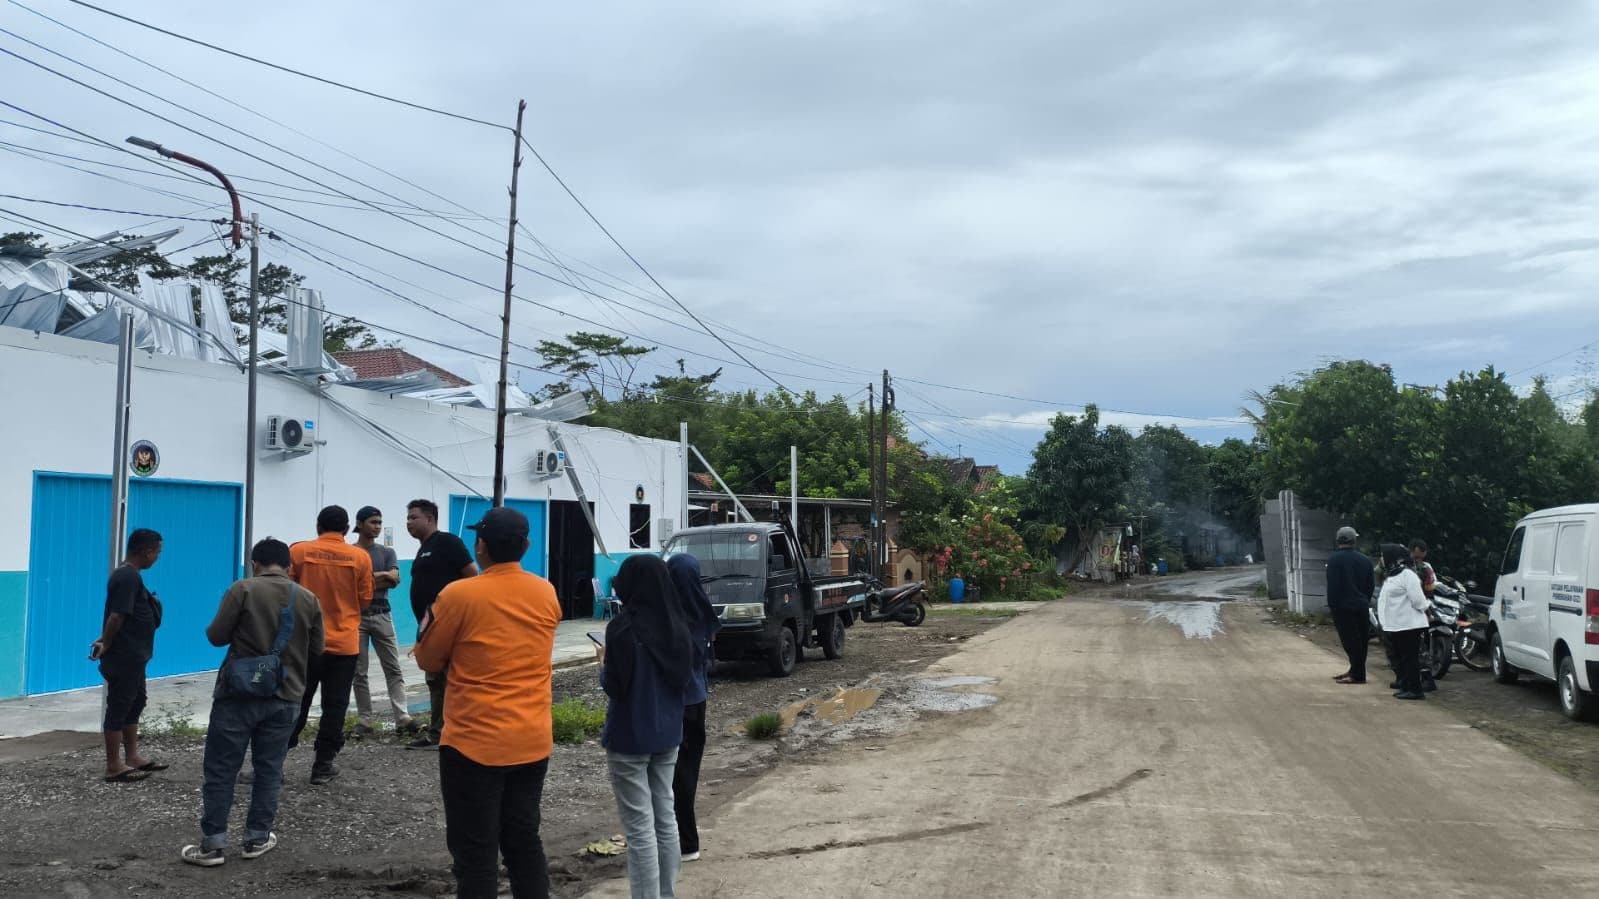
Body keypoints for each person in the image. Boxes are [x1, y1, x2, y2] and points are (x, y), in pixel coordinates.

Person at [414, 507, 561, 899]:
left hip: (472, 744)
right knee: (524, 841)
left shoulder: (459, 595)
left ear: (480, 547)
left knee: (476, 853)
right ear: (526, 546)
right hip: (531, 740)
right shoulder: (545, 591)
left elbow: (428, 659)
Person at [181, 538, 325, 867]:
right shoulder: (308, 598)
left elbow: (216, 636)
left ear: (254, 564)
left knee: (221, 770)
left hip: (237, 696)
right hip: (286, 696)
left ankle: (213, 844)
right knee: (269, 769)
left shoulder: (241, 590)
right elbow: (318, 650)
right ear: (289, 567)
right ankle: (257, 838)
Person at [600, 554, 694, 899]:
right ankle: (666, 894)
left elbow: (615, 686)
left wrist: (603, 665)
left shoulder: (622, 628)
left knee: (640, 829)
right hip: (668, 734)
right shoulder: (678, 625)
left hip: (629, 737)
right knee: (665, 818)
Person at [288, 505, 374, 784]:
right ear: (348, 529)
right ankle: (323, 765)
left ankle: (273, 762)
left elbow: (286, 593)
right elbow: (365, 600)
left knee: (294, 702)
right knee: (335, 706)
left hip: (305, 644)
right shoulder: (360, 557)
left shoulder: (299, 552)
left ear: (317, 526)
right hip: (344, 645)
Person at [89, 528, 166, 783]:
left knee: (136, 701)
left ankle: (132, 756)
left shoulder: (132, 576)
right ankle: (113, 765)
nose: (157, 557)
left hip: (136, 655)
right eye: (157, 552)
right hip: (124, 655)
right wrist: (106, 643)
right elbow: (117, 615)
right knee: (120, 705)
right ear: (146, 552)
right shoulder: (126, 577)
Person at [405, 498, 477, 749]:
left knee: (450, 680)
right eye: (408, 518)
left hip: (447, 628)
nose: (408, 522)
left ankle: (454, 734)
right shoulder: (424, 547)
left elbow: (472, 575)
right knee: (435, 680)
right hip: (428, 628)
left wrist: (454, 614)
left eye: (413, 517)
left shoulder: (447, 542)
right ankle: (439, 732)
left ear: (430, 518)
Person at [667, 553, 721, 863]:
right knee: (687, 774)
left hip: (672, 705)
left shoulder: (665, 615)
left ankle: (670, 840)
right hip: (697, 702)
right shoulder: (704, 612)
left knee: (663, 775)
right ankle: (689, 842)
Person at [350, 506, 414, 736]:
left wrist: (370, 579)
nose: (377, 526)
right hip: (357, 617)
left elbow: (395, 579)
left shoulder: (387, 552)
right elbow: (351, 584)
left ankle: (402, 716)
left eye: (379, 522)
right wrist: (382, 576)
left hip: (382, 614)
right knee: (359, 671)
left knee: (393, 667)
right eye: (373, 522)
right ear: (360, 524)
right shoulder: (351, 552)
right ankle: (365, 720)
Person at [1378, 543, 1429, 701]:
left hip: (1409, 625)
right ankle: (1406, 686)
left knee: (1410, 658)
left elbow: (1418, 600)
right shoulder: (1392, 575)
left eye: (1383, 556)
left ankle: (1415, 690)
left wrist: (1427, 608)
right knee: (1402, 657)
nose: (1381, 559)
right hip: (1396, 625)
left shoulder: (1408, 575)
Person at [1325, 527, 1374, 685]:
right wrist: (1364, 600)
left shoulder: (1333, 560)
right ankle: (1355, 670)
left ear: (1338, 540)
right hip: (1361, 605)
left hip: (1342, 607)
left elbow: (1332, 586)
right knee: (1361, 640)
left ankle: (1358, 675)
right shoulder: (1365, 560)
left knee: (1350, 641)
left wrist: (1333, 606)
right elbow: (1370, 585)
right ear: (1354, 541)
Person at [1410, 539, 1439, 692]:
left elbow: (1430, 591)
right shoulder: (1405, 568)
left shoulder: (1426, 569)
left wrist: (1428, 611)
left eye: (1420, 557)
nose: (1417, 560)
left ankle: (1426, 679)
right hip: (1410, 611)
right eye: (1415, 557)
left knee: (1421, 646)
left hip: (1421, 610)